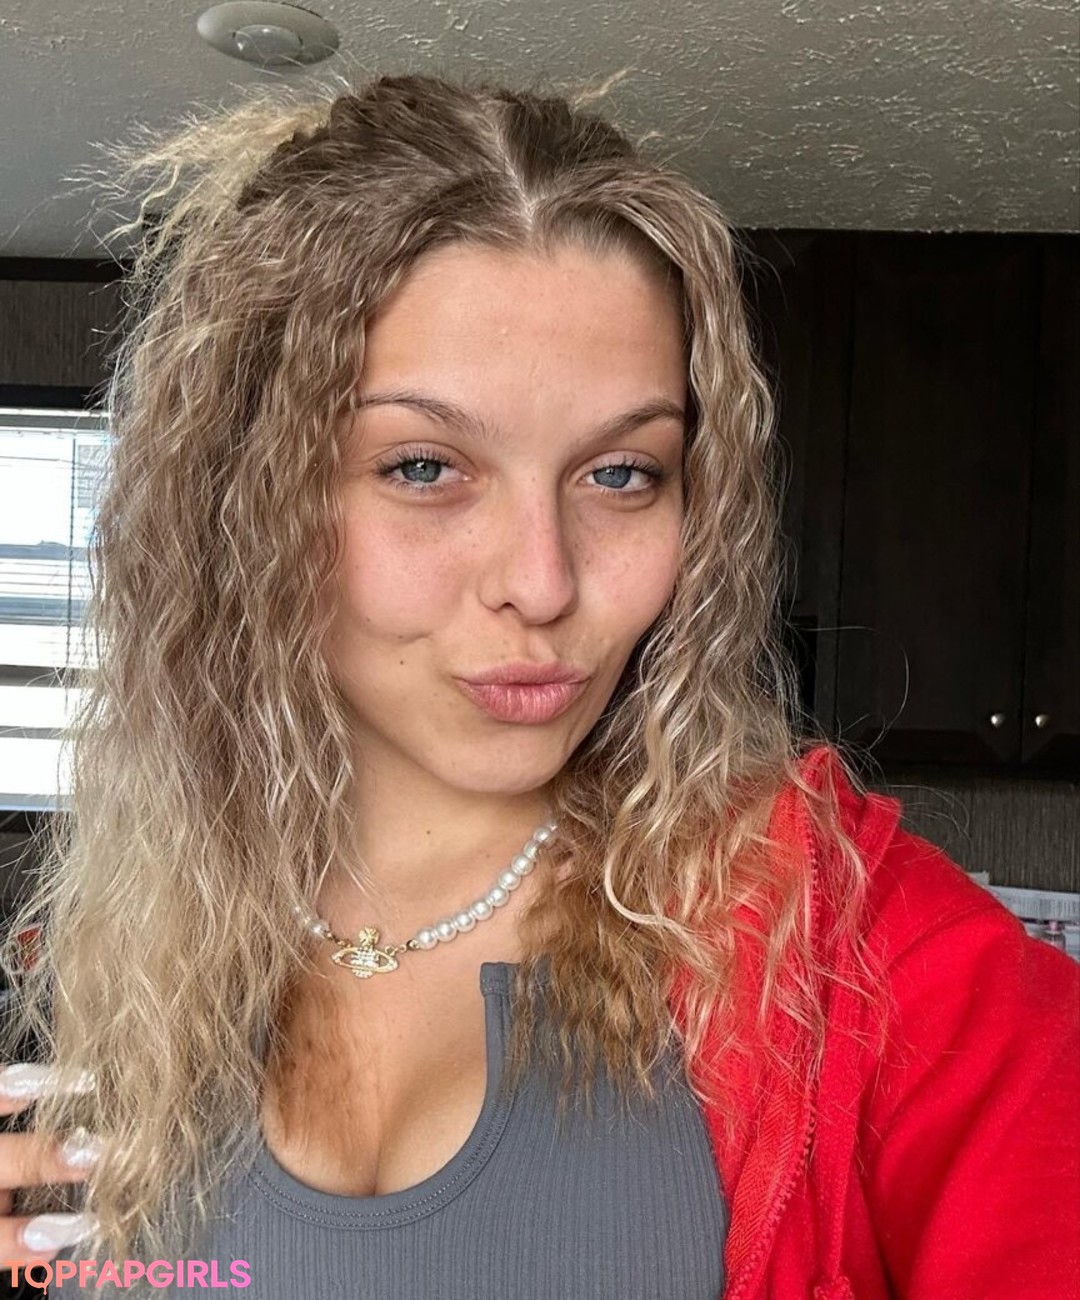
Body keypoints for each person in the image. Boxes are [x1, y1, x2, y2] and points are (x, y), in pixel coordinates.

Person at [0, 72, 1076, 1300]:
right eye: (424, 466)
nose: (544, 582)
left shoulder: (867, 959)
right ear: (244, 500)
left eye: (622, 474)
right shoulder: (137, 944)